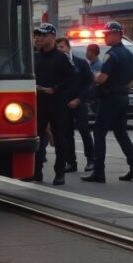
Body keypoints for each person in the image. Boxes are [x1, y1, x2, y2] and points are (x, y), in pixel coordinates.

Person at [82, 22, 133, 183]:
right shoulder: (130, 55)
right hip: (123, 98)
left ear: (118, 34)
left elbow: (102, 78)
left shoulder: (111, 55)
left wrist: (93, 76)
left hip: (109, 98)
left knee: (99, 133)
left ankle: (99, 171)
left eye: (108, 34)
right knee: (121, 133)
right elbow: (131, 81)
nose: (105, 36)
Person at [32, 23, 74, 185]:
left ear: (52, 37)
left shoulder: (61, 57)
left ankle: (60, 173)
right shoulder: (35, 56)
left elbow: (71, 78)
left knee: (59, 138)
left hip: (57, 103)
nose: (39, 38)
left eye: (43, 35)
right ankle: (36, 171)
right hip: (39, 102)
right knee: (37, 137)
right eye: (38, 35)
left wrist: (55, 89)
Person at [56, 37, 95, 173]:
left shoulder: (81, 63)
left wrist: (79, 99)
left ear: (68, 48)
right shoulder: (57, 65)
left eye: (61, 47)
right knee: (67, 134)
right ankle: (71, 162)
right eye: (57, 48)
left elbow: (89, 83)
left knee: (84, 130)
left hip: (79, 103)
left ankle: (91, 160)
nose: (59, 50)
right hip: (64, 104)